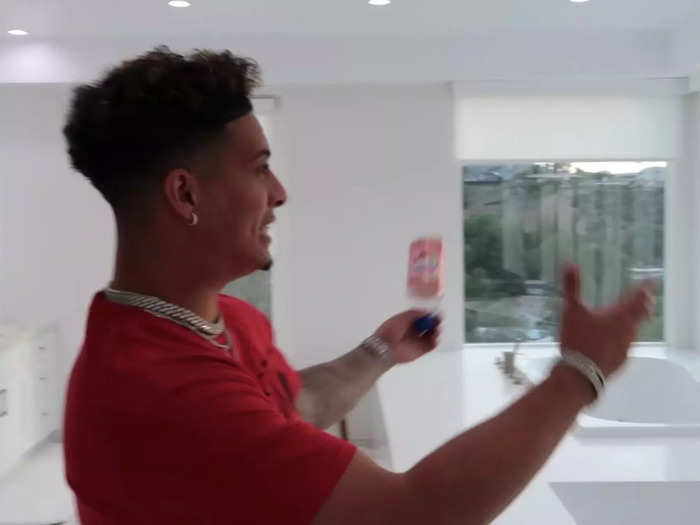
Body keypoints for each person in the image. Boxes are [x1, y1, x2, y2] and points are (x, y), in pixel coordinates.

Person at [62, 47, 653, 525]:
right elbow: (416, 512)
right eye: (259, 166)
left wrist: (380, 352)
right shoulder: (158, 390)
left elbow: (294, 406)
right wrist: (578, 374)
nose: (280, 193)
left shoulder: (227, 320)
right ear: (186, 195)